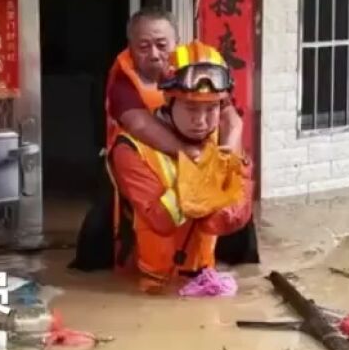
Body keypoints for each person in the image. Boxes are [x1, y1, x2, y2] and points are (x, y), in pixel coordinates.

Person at [106, 42, 254, 293]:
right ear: (168, 100)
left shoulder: (224, 141)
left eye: (211, 109)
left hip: (205, 280)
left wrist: (230, 165)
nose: (202, 120)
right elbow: (161, 221)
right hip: (149, 285)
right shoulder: (130, 148)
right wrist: (197, 174)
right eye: (191, 108)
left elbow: (227, 221)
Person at [106, 8, 243, 159]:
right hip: (139, 161)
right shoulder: (123, 77)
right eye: (144, 47)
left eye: (162, 45)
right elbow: (139, 124)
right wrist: (189, 152)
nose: (154, 55)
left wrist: (229, 157)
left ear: (177, 43)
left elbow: (231, 117)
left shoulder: (193, 65)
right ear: (130, 47)